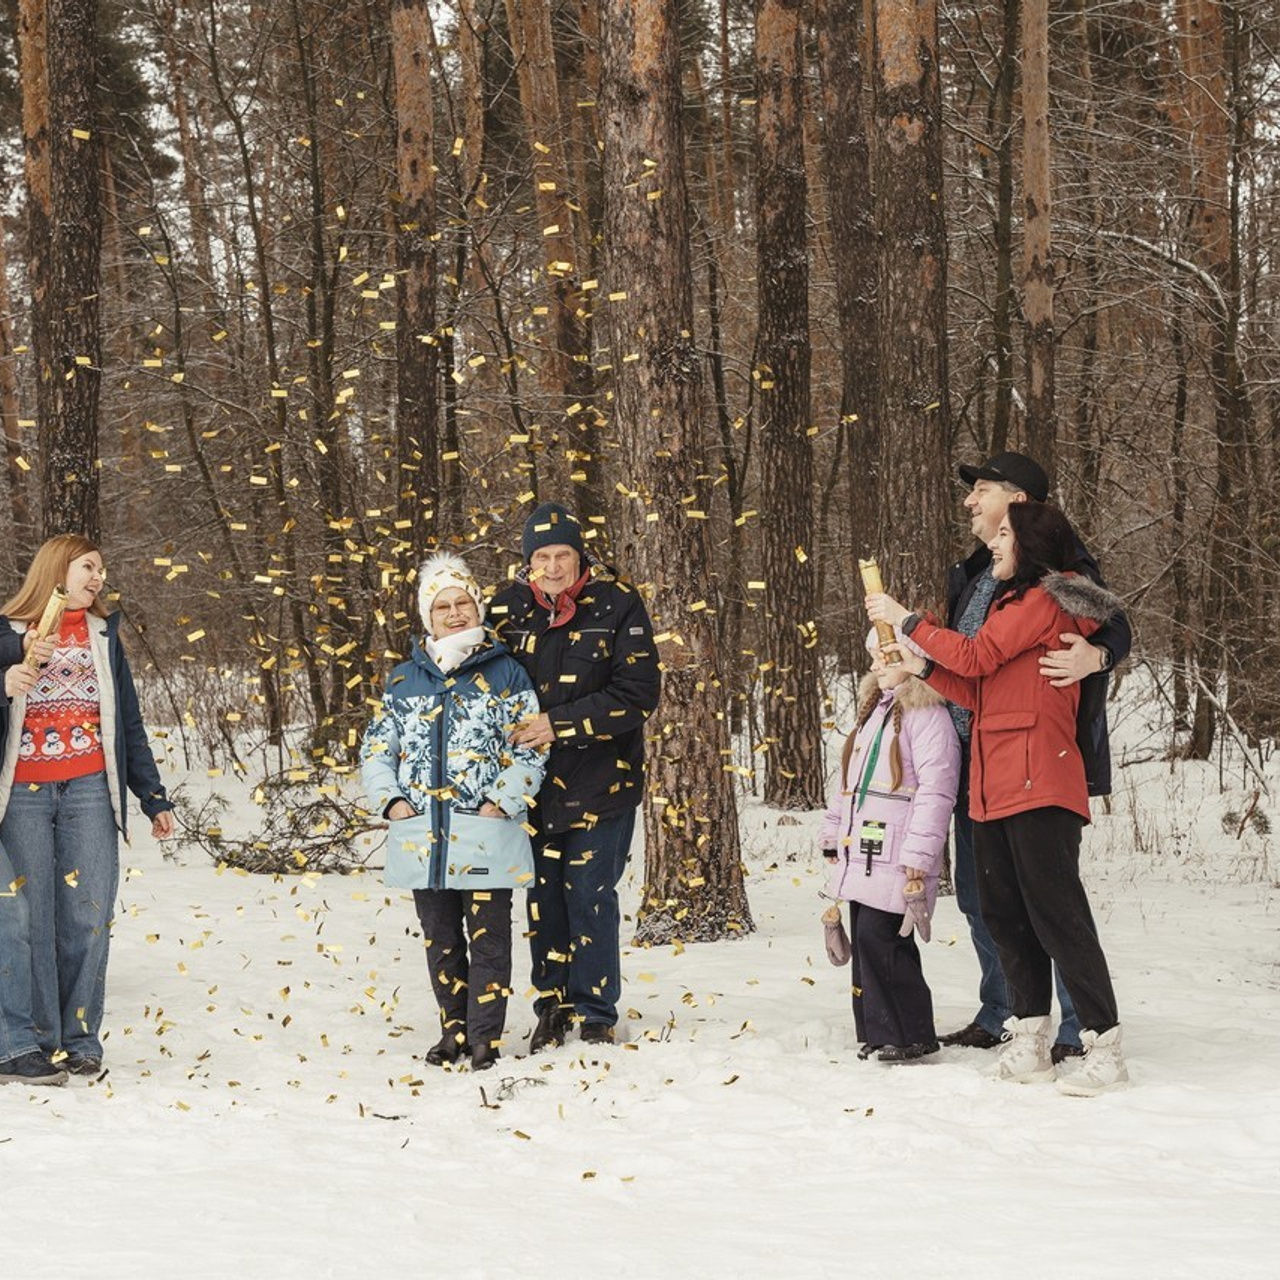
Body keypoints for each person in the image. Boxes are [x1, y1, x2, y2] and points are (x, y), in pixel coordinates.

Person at [868, 502, 1130, 1095]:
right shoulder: (1012, 604)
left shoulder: (1045, 600)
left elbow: (976, 655)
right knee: (1008, 920)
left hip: (1040, 781)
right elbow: (977, 686)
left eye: (1005, 534)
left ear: (1032, 545)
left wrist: (907, 620)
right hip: (992, 786)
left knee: (1057, 917)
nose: (995, 544)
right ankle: (1032, 1037)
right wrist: (919, 668)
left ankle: (1104, 1043)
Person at [938, 451, 1131, 1063]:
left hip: (1037, 758)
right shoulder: (979, 574)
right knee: (987, 899)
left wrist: (1096, 657)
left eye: (983, 490)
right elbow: (972, 671)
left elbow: (1115, 623)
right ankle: (1012, 1014)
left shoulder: (1056, 572)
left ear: (1018, 502)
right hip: (980, 760)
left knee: (1050, 901)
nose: (970, 500)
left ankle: (1084, 1030)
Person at [0, 535, 175, 1084]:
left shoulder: (103, 634)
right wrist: (6, 677)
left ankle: (79, 1038)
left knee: (88, 914)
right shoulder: (7, 632)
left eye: (101, 570)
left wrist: (152, 796)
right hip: (23, 794)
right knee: (32, 916)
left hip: (89, 790)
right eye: (88, 567)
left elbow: (128, 722)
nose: (98, 577)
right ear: (57, 570)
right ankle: (37, 1041)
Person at [362, 552, 546, 1072]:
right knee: (440, 938)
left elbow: (532, 746)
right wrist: (392, 801)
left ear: (478, 607)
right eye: (443, 606)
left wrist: (501, 801)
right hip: (424, 832)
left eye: (463, 602)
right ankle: (452, 1032)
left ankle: (485, 1036)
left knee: (489, 937)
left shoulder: (507, 672)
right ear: (428, 616)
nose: (455, 613)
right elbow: (377, 750)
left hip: (483, 828)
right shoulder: (404, 681)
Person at [490, 503, 661, 1050]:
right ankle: (553, 1006)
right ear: (528, 563)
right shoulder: (506, 608)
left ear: (579, 556)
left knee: (589, 893)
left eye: (563, 554)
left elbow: (638, 696)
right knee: (544, 898)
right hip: (530, 788)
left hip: (601, 783)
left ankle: (596, 1010)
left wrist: (557, 724)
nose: (554, 566)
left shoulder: (618, 604)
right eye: (542, 557)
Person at [819, 627, 959, 1063]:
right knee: (865, 937)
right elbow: (850, 786)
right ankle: (877, 1030)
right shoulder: (874, 711)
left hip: (898, 856)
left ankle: (910, 1031)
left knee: (885, 938)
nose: (877, 665)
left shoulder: (928, 716)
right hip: (862, 852)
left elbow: (937, 790)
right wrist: (832, 832)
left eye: (887, 657)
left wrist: (919, 856)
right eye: (875, 657)